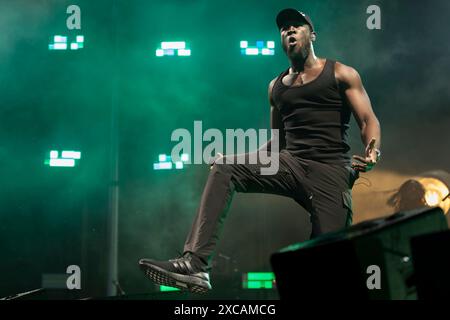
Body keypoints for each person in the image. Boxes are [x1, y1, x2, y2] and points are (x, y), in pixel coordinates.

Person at [138, 8, 381, 293]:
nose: (289, 31)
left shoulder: (341, 73)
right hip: (291, 163)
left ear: (311, 35)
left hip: (329, 171)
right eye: (284, 28)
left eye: (297, 26)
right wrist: (233, 160)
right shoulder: (276, 87)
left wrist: (372, 150)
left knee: (328, 266)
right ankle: (195, 265)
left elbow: (368, 119)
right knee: (224, 168)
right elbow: (277, 143)